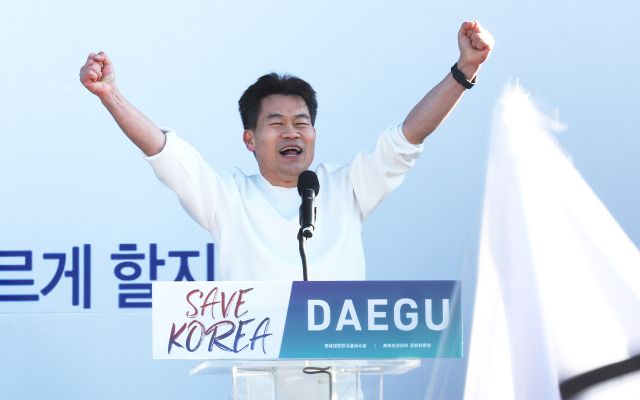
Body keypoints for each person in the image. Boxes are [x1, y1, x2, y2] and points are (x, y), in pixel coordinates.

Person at [80, 20, 494, 399]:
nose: (292, 132)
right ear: (250, 139)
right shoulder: (228, 198)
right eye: (276, 123)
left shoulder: (346, 188)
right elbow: (165, 152)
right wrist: (111, 95)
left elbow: (407, 138)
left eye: (301, 122)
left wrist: (465, 71)